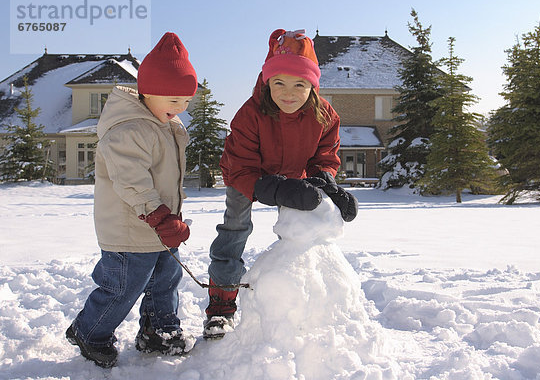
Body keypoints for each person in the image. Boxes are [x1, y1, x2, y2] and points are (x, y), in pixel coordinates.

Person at [204, 29, 358, 340]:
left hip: (293, 175)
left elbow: (325, 155)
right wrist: (272, 188)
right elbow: (240, 167)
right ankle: (221, 308)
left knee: (302, 229)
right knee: (235, 229)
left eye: (299, 85)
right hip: (245, 175)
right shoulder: (250, 114)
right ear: (267, 83)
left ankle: (302, 297)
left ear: (312, 86)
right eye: (279, 84)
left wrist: (324, 180)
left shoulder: (325, 114)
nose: (288, 93)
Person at [65, 32, 197, 368]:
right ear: (146, 92)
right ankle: (89, 331)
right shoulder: (129, 129)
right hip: (130, 229)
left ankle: (159, 331)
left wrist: (169, 219)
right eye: (173, 100)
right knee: (121, 287)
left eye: (185, 101)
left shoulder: (162, 123)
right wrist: (159, 216)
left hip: (160, 227)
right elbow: (131, 180)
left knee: (165, 282)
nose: (180, 108)